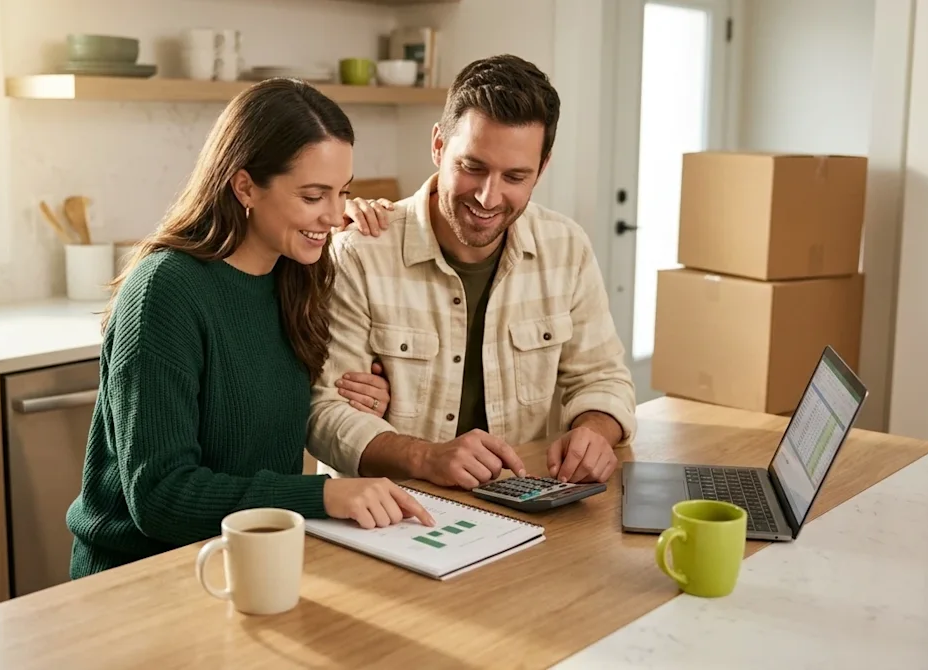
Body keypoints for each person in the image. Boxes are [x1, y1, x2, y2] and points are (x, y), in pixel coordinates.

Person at [66, 78, 433, 580]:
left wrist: (362, 389)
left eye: (342, 192)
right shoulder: (165, 291)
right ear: (245, 187)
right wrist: (321, 495)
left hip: (252, 564)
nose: (333, 214)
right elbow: (161, 496)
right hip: (141, 580)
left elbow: (262, 409)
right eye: (312, 195)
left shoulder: (297, 275)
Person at [308, 54, 637, 490]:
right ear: (439, 146)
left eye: (515, 176)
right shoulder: (359, 252)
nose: (488, 196)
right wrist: (426, 457)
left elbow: (603, 376)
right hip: (392, 508)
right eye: (473, 167)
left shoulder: (566, 246)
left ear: (542, 168)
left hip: (526, 503)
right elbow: (325, 412)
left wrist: (595, 431)